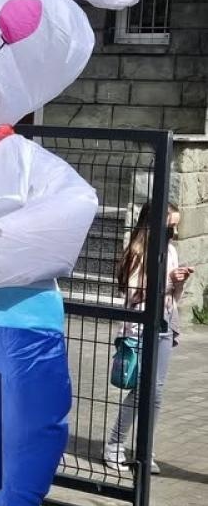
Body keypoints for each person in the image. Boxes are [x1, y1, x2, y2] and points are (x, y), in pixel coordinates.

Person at [103, 201, 193, 474]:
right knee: (141, 390)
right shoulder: (138, 253)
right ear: (153, 224)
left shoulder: (171, 251)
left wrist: (178, 283)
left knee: (156, 392)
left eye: (176, 227)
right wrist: (168, 281)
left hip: (164, 323)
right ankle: (114, 446)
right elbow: (134, 295)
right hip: (140, 329)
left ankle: (145, 450)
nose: (173, 233)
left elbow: (172, 297)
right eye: (169, 227)